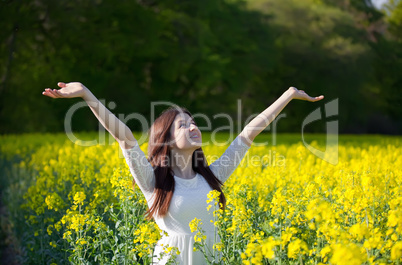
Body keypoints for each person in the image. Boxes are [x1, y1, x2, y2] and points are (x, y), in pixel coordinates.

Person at [42, 82, 324, 264]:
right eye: (182, 125)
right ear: (165, 139)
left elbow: (249, 133)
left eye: (193, 122)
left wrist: (287, 95)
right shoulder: (154, 182)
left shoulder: (212, 177)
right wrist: (86, 94)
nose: (193, 127)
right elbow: (125, 138)